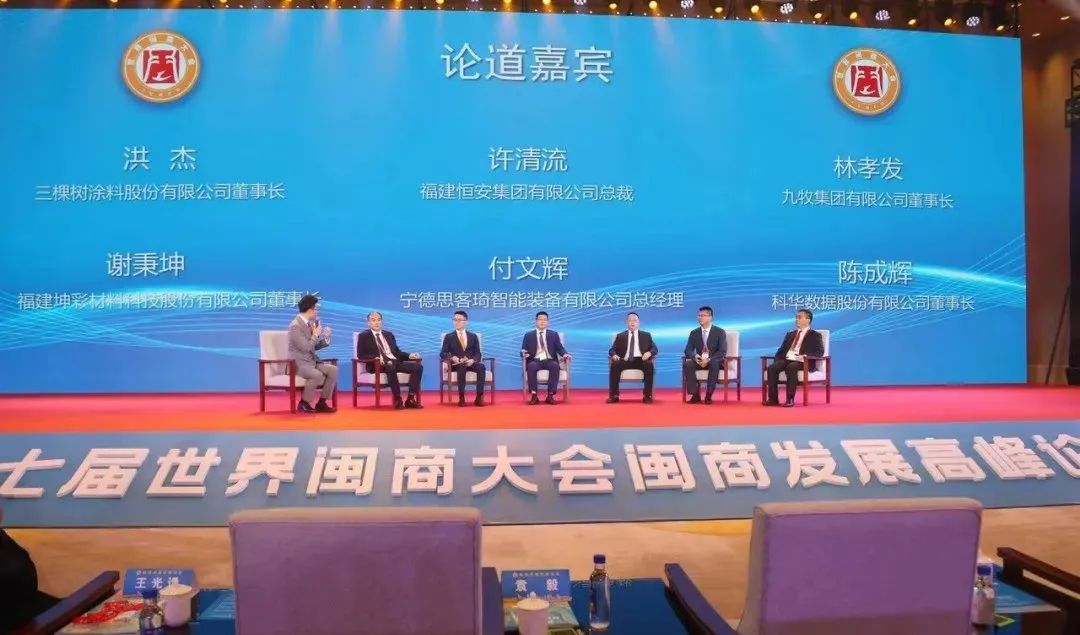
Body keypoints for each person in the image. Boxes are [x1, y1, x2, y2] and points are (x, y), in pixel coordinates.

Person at [356, 311, 424, 409]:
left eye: (379, 320)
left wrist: (410, 355)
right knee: (390, 365)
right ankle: (397, 399)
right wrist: (374, 358)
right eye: (373, 320)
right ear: (368, 323)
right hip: (378, 364)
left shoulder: (389, 334)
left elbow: (397, 353)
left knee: (418, 367)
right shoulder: (364, 336)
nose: (376, 322)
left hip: (394, 362)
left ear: (382, 322)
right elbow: (361, 355)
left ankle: (410, 399)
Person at [287, 294, 337, 414]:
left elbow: (313, 347)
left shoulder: (308, 324)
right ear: (310, 309)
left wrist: (326, 338)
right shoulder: (295, 326)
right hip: (299, 364)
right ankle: (304, 403)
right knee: (316, 375)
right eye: (316, 309)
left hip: (311, 362)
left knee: (333, 370)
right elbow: (305, 348)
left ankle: (322, 403)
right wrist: (315, 335)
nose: (317, 312)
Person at [765, 308, 825, 407]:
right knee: (772, 368)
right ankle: (773, 399)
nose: (796, 320)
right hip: (788, 359)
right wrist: (777, 361)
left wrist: (804, 356)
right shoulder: (790, 334)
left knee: (792, 367)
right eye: (796, 317)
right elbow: (781, 350)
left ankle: (790, 399)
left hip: (803, 362)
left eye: (799, 317)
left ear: (808, 320)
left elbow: (819, 352)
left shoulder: (815, 335)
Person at [520, 311, 571, 405]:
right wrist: (523, 353)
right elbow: (523, 349)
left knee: (555, 366)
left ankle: (550, 395)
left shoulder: (553, 334)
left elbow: (560, 348)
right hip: (535, 360)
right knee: (531, 366)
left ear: (548, 322)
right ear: (536, 321)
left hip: (549, 360)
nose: (542, 322)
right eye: (540, 319)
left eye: (545, 320)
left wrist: (565, 354)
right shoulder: (528, 335)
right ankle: (534, 396)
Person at [608, 312, 658, 404]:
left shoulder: (646, 335)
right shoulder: (620, 336)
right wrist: (614, 355)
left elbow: (655, 349)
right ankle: (614, 395)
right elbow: (612, 350)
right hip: (625, 360)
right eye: (630, 320)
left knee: (649, 365)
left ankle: (647, 396)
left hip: (641, 360)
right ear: (626, 322)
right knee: (614, 365)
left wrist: (649, 353)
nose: (632, 322)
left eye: (635, 320)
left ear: (639, 322)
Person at [439, 310, 486, 407]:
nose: (456, 322)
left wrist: (473, 360)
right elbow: (442, 353)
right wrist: (452, 357)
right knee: (461, 367)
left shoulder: (473, 336)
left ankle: (479, 397)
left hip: (470, 363)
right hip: (456, 364)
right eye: (454, 320)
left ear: (466, 322)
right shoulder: (449, 337)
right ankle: (461, 398)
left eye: (459, 320)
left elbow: (478, 353)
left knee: (481, 367)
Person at [682, 305, 727, 404]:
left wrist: (709, 359)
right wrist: (695, 356)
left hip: (714, 361)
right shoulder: (694, 333)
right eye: (699, 315)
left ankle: (708, 395)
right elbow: (688, 350)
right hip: (700, 360)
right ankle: (695, 395)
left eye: (703, 315)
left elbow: (722, 351)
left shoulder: (720, 332)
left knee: (714, 363)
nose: (700, 318)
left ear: (710, 317)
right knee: (688, 364)